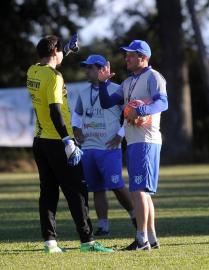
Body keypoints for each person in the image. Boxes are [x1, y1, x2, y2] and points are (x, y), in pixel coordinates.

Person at [26, 35, 113, 253]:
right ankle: (88, 241)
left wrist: (67, 49)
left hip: (40, 140)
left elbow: (52, 59)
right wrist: (68, 140)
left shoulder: (33, 70)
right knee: (77, 191)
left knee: (48, 192)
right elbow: (56, 111)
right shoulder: (54, 77)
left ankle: (50, 242)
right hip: (57, 141)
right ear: (54, 51)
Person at [97, 40, 168, 250]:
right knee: (142, 191)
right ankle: (151, 239)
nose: (126, 58)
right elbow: (106, 103)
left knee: (138, 190)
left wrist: (142, 111)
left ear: (143, 58)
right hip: (135, 141)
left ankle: (141, 239)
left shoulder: (154, 77)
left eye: (130, 55)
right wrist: (102, 83)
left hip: (147, 140)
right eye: (126, 54)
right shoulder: (128, 82)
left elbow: (163, 102)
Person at [71, 54, 136, 236]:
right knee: (96, 189)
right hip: (88, 148)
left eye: (90, 67)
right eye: (86, 67)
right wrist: (76, 129)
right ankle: (103, 226)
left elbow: (129, 114)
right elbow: (77, 114)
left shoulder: (116, 89)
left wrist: (120, 135)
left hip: (109, 148)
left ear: (101, 69)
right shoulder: (83, 93)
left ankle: (135, 215)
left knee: (116, 185)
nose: (86, 71)